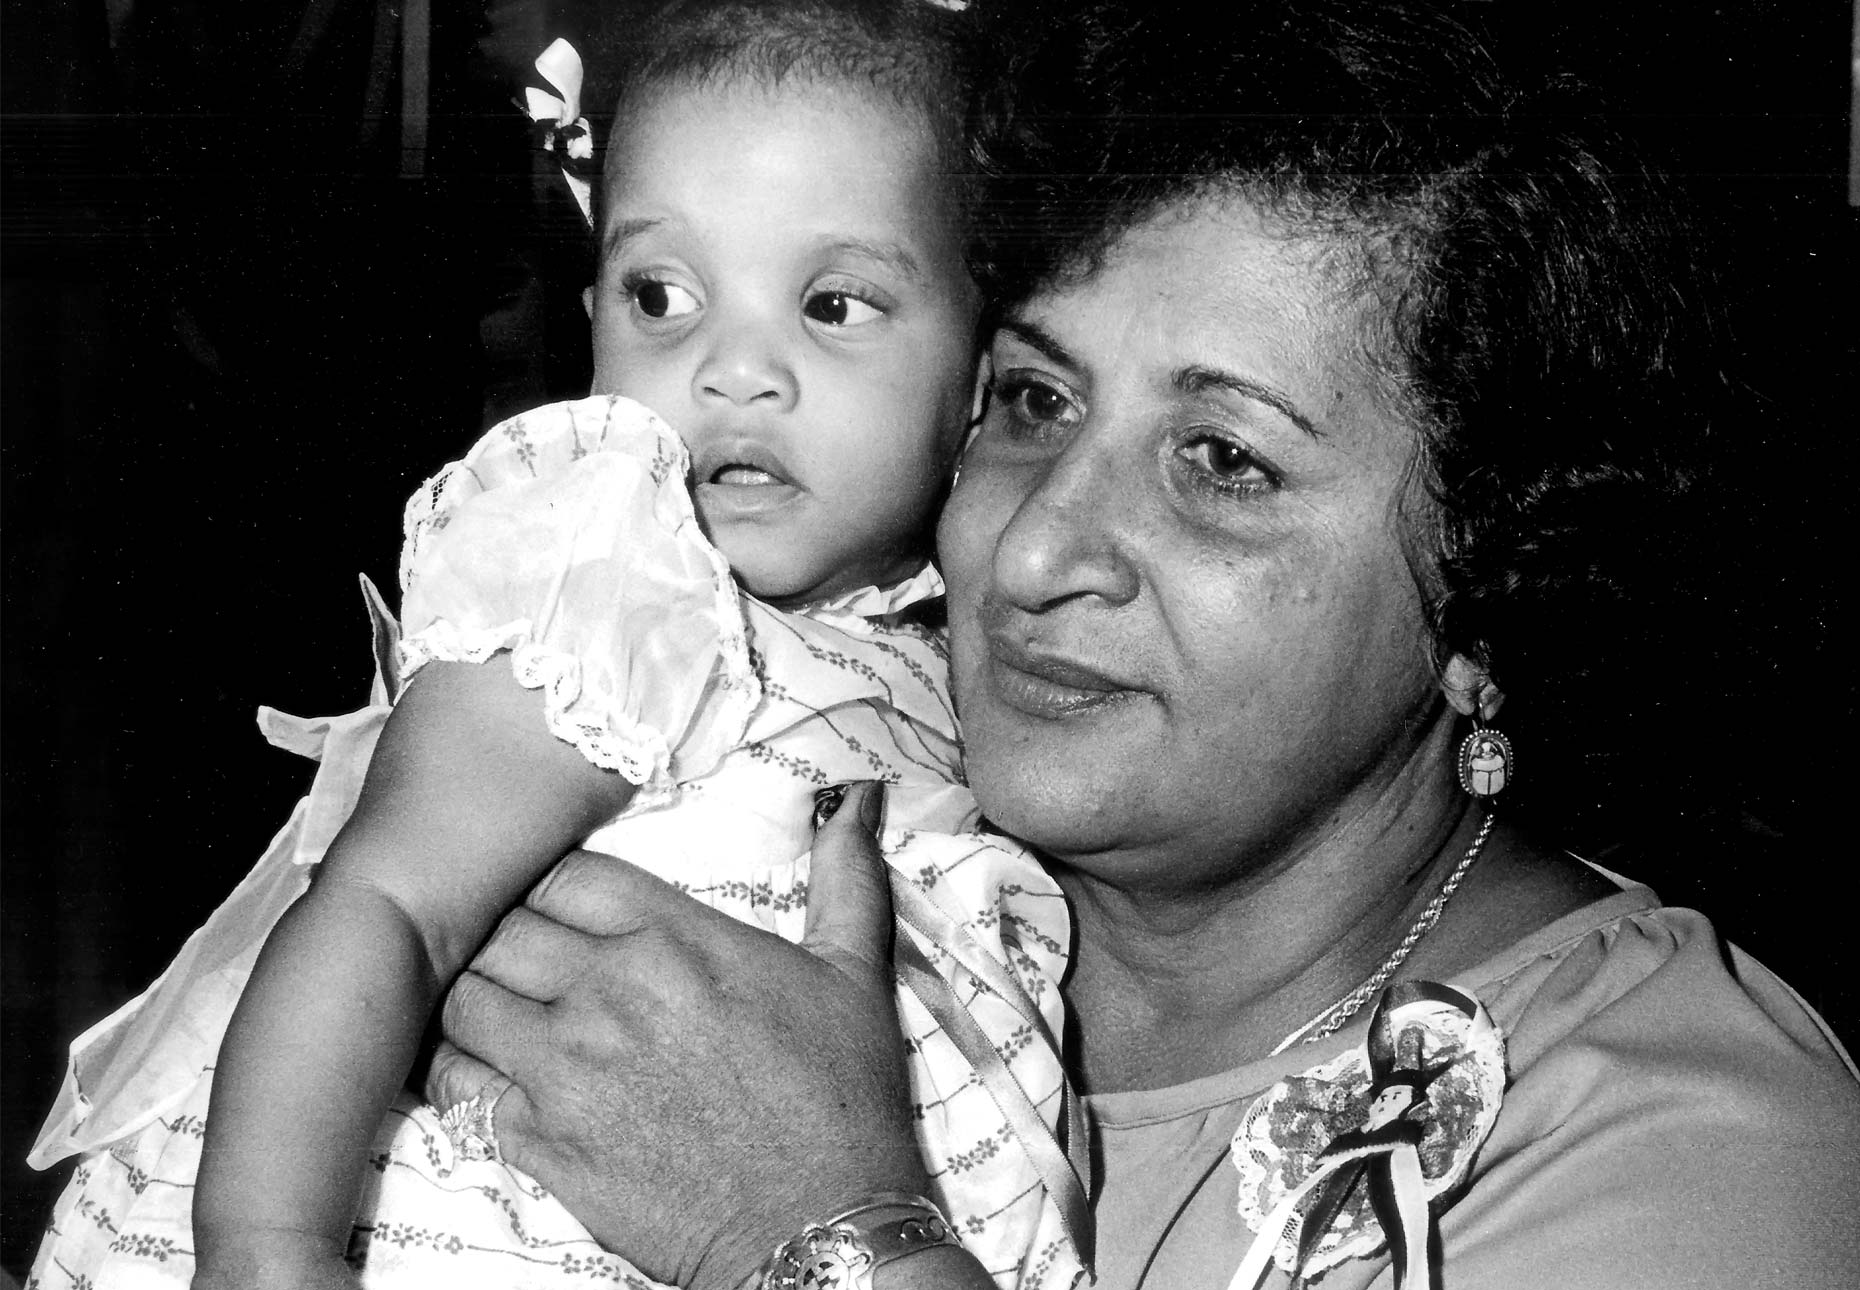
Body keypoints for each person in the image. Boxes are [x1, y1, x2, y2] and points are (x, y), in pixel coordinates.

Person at [419, 2, 1860, 1287]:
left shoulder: (1688, 1138)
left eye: (1223, 461)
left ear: (1493, 597)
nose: (1035, 548)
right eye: (1035, 403)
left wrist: (817, 1225)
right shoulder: (741, 833)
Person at [25, 3, 1089, 1288]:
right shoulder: (612, 563)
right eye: (662, 297)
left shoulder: (952, 643)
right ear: (591, 319)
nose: (733, 369)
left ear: (978, 371)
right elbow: (385, 902)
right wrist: (267, 1246)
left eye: (831, 304)